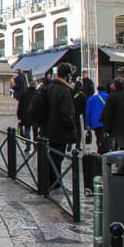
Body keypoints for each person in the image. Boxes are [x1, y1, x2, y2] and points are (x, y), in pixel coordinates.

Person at [43, 62, 77, 191]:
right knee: (57, 157)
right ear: (67, 76)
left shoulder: (49, 87)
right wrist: (72, 128)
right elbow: (66, 114)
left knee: (53, 156)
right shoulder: (64, 90)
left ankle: (50, 181)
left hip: (48, 128)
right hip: (60, 130)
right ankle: (55, 182)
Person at [100, 77, 124, 152]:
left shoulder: (112, 96)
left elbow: (108, 114)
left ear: (115, 85)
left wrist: (106, 129)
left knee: (115, 149)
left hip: (115, 128)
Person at [85, 85, 109, 154]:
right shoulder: (109, 97)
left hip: (96, 122)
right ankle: (106, 150)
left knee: (99, 136)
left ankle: (100, 149)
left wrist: (87, 123)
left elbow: (88, 112)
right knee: (107, 137)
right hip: (107, 121)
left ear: (97, 90)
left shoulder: (92, 99)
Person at [16, 82, 37, 152]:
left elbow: (20, 106)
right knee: (35, 132)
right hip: (35, 116)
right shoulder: (37, 94)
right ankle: (35, 147)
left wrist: (19, 115)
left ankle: (28, 146)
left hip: (25, 116)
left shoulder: (24, 94)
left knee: (27, 130)